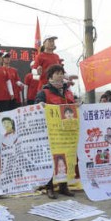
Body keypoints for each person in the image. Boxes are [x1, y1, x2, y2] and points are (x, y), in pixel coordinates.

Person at [35, 64, 75, 199]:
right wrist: (40, 106)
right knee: (51, 159)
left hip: (66, 132)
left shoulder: (68, 92)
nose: (59, 75)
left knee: (67, 157)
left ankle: (64, 186)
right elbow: (36, 108)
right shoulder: (44, 92)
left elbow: (72, 107)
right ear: (50, 76)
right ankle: (49, 187)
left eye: (61, 73)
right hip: (51, 133)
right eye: (56, 73)